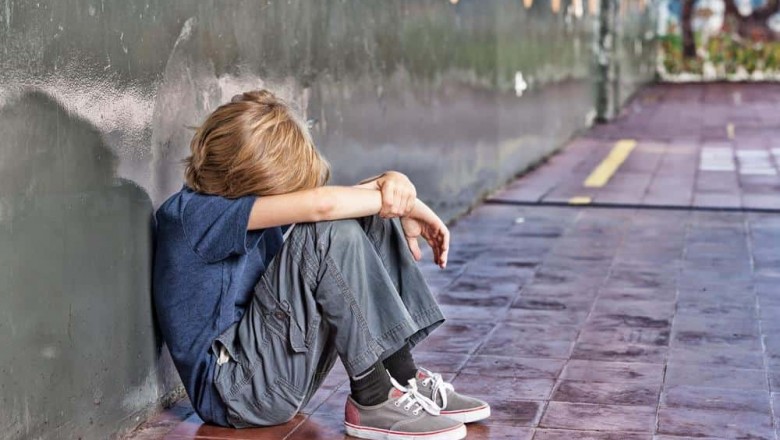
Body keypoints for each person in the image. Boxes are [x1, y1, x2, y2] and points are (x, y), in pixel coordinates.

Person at [153, 90, 490, 440]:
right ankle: (373, 397)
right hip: (235, 394)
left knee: (368, 216)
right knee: (327, 230)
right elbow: (322, 207)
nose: (286, 198)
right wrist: (409, 204)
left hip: (270, 373)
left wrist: (394, 187)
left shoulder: (233, 205)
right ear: (249, 179)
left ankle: (402, 377)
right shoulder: (191, 216)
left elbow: (337, 204)